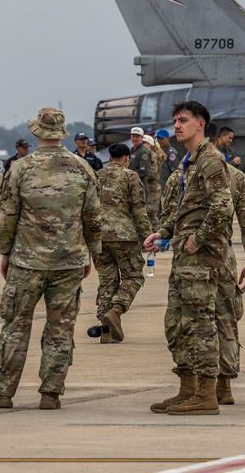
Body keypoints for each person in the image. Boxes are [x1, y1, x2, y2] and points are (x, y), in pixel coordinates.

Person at [0, 107, 101, 411]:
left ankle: (3, 392)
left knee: (15, 327)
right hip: (69, 261)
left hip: (27, 260)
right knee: (60, 330)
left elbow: (8, 215)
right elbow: (92, 217)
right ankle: (51, 392)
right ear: (61, 134)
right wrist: (90, 252)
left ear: (37, 133)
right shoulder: (82, 168)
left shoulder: (21, 169)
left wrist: (5, 252)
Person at [143, 101, 232, 416]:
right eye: (176, 120)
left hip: (200, 260)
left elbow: (222, 208)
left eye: (183, 120)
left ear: (201, 124)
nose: (177, 126)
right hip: (183, 258)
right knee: (177, 325)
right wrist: (162, 234)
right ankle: (187, 390)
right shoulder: (189, 162)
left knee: (199, 325)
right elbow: (184, 211)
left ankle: (207, 395)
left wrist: (197, 239)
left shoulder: (210, 162)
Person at [89, 142, 151, 343]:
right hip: (123, 235)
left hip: (98, 237)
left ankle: (106, 330)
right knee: (134, 276)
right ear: (126, 158)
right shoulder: (130, 176)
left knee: (107, 280)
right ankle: (116, 310)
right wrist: (147, 237)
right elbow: (139, 209)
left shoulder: (96, 176)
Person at [216, 165, 245, 404]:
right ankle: (224, 384)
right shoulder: (236, 175)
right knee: (226, 318)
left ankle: (198, 387)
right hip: (223, 255)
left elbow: (168, 219)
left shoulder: (182, 173)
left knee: (191, 321)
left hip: (190, 258)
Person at [0, 139, 32, 228]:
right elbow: (5, 179)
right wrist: (2, 194)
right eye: (24, 148)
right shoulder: (10, 161)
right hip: (13, 193)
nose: (26, 150)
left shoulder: (32, 161)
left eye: (27, 148)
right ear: (17, 148)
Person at [156, 128, 180, 198]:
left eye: (161, 138)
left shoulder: (171, 153)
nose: (159, 141)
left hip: (168, 188)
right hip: (160, 187)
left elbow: (175, 172)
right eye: (158, 139)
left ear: (167, 139)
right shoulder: (159, 151)